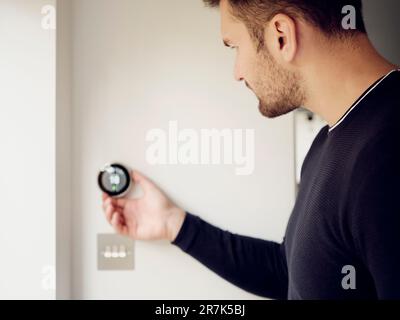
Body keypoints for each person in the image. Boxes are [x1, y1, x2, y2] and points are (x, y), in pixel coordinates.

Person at [101, 0, 400, 299]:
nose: (237, 72)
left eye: (234, 46)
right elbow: (290, 271)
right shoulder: (329, 143)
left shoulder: (387, 154)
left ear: (281, 35)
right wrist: (174, 224)